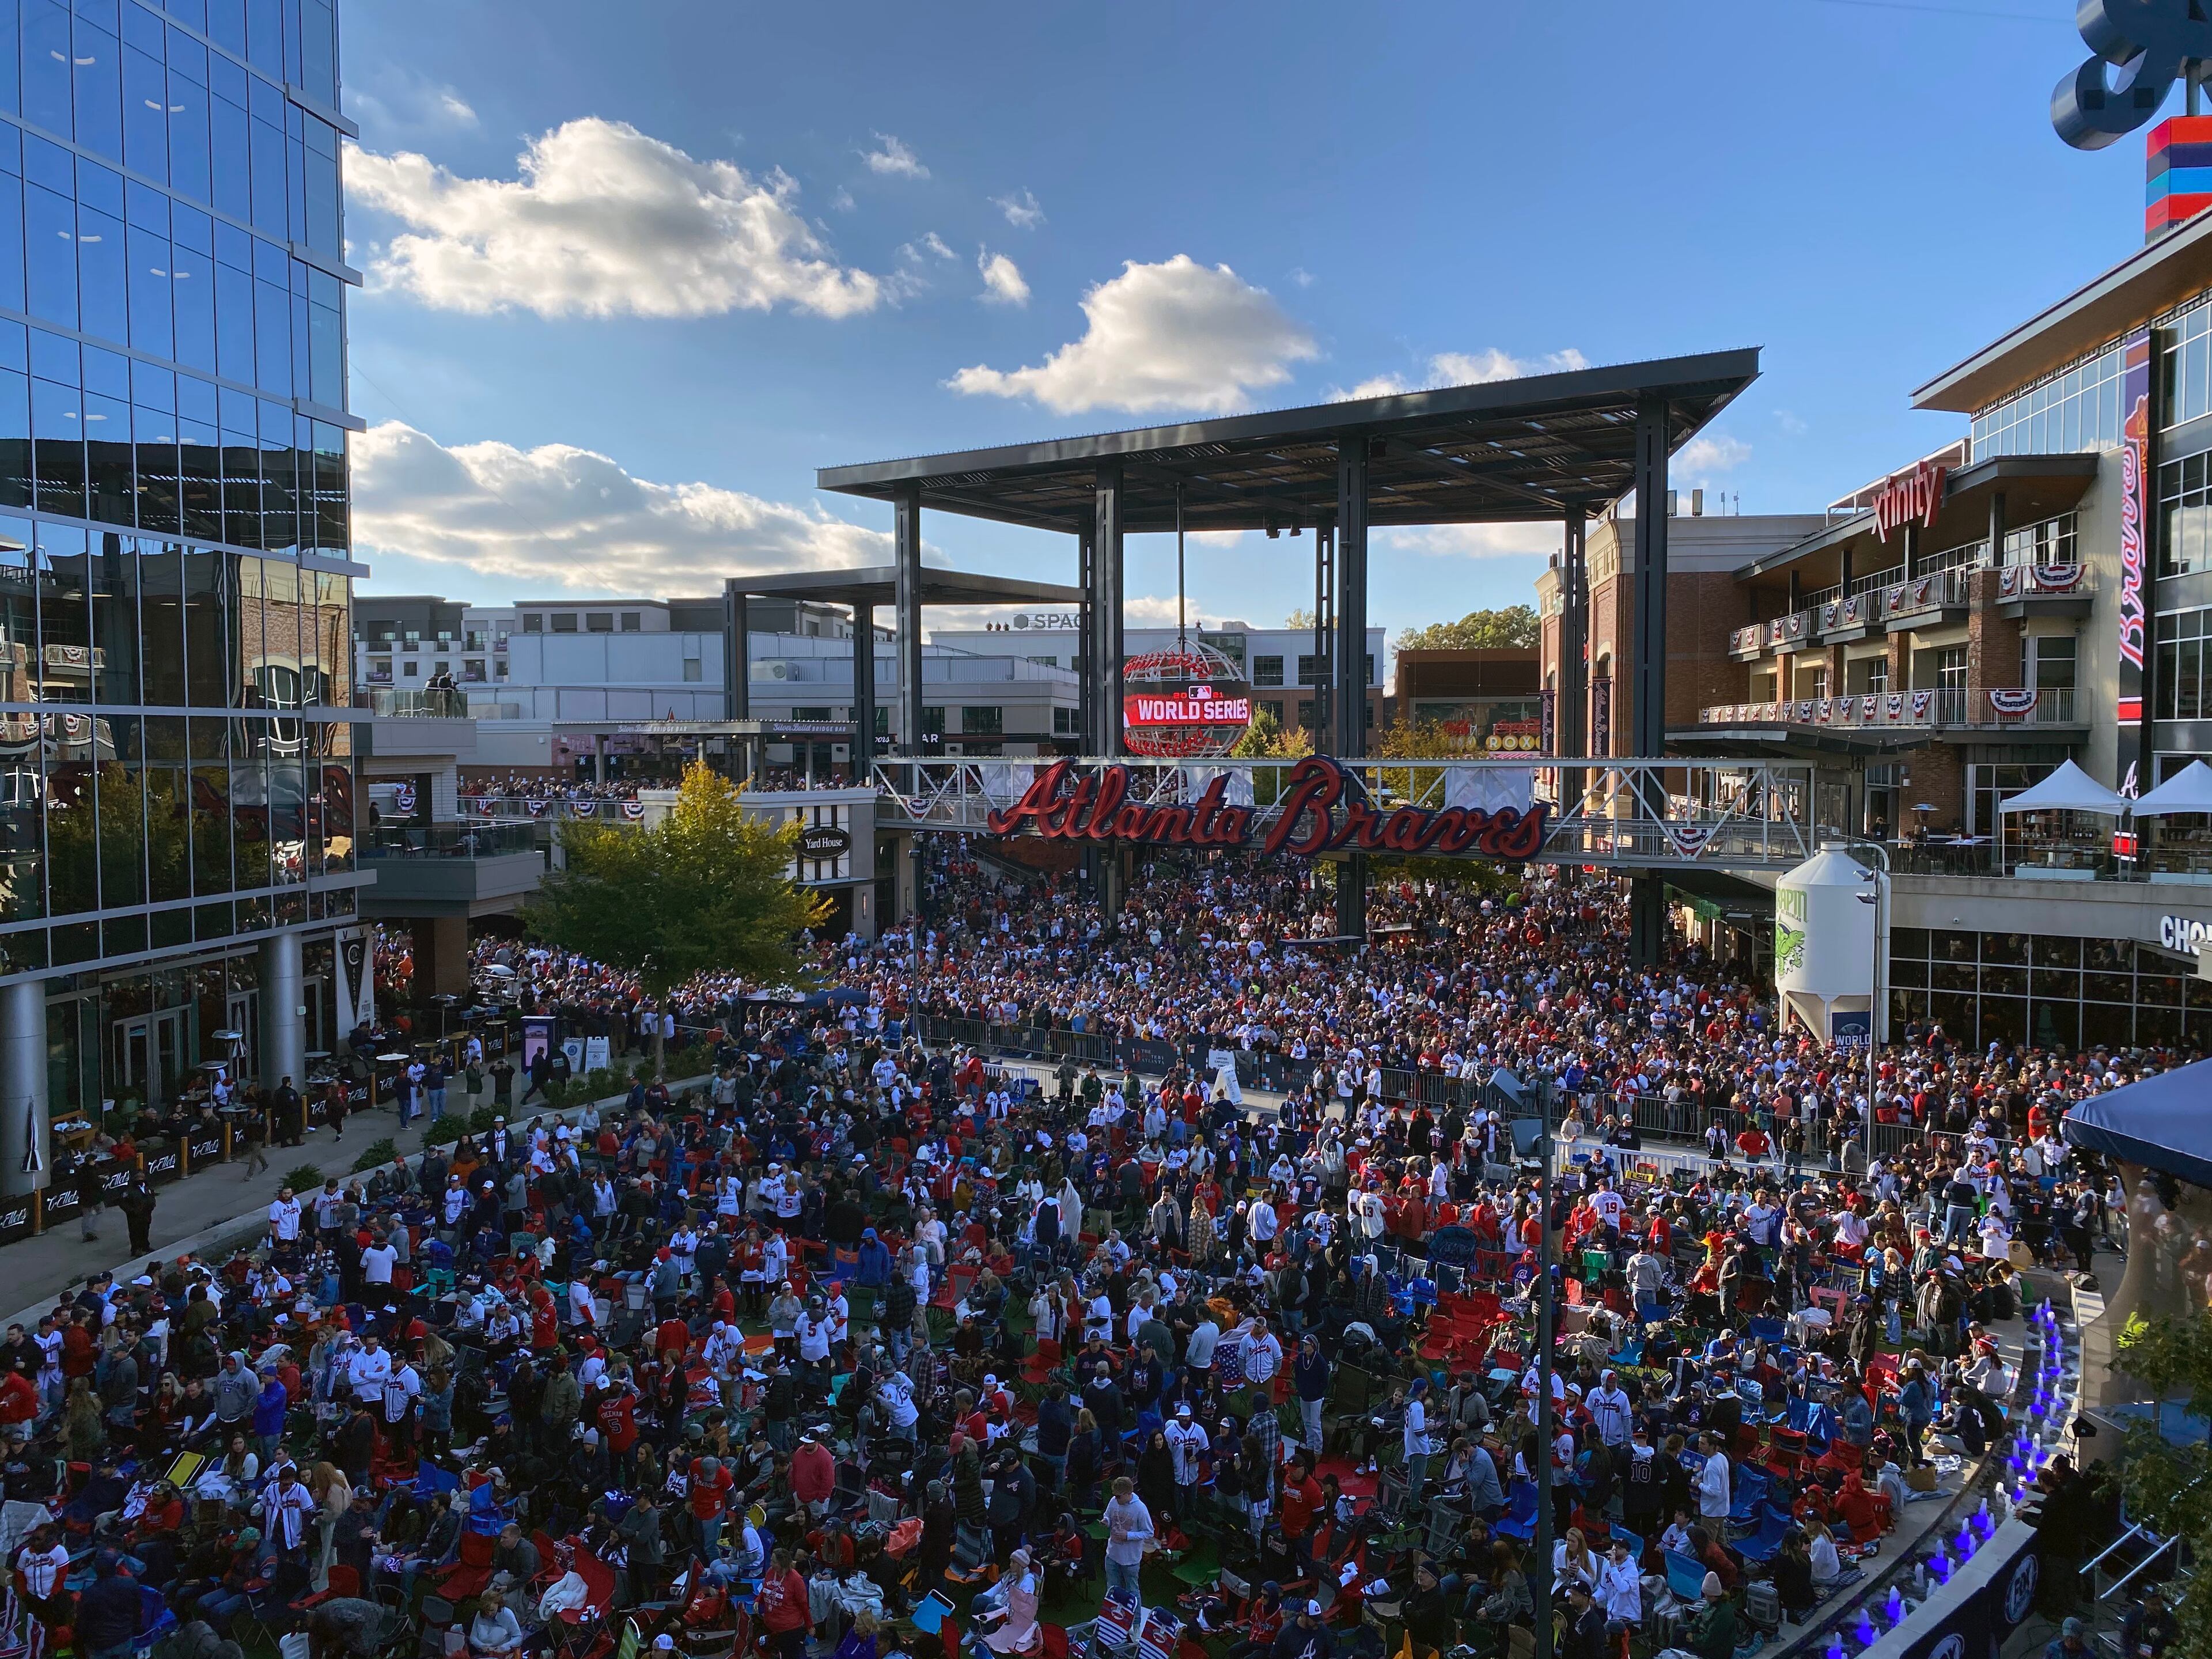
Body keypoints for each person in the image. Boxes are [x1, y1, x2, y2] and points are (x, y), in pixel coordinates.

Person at [1102, 1475, 1153, 1606]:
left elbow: (1149, 1532)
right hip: (1112, 1555)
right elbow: (1108, 1515)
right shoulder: (1114, 1501)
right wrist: (1106, 1521)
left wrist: (1128, 1536)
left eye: (1119, 1496)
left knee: (1133, 1592)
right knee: (1112, 1589)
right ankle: (1112, 1618)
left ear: (1128, 1494)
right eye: (1115, 1495)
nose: (1116, 1498)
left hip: (1130, 1561)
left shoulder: (1140, 1509)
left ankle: (1136, 1623)